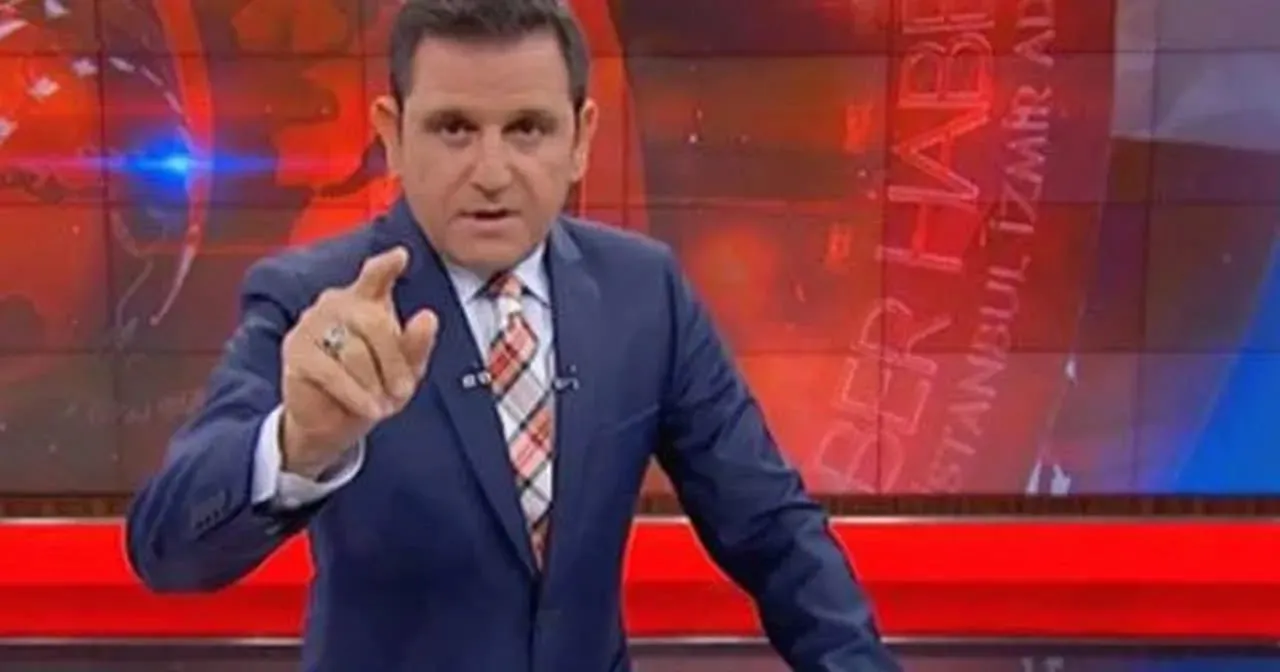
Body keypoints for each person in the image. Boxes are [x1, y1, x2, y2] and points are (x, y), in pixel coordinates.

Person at [124, 1, 901, 670]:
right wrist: (298, 446)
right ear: (394, 134)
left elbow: (771, 530)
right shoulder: (314, 299)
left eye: (527, 129)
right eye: (453, 129)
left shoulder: (644, 293)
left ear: (581, 137)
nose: (491, 171)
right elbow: (166, 551)